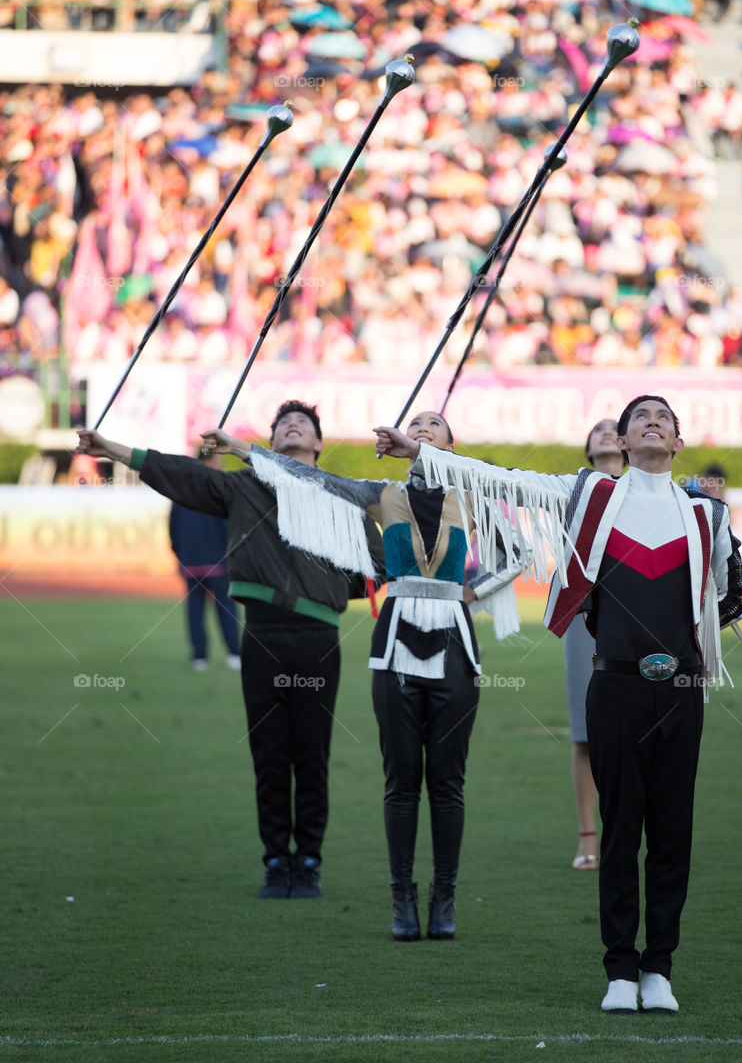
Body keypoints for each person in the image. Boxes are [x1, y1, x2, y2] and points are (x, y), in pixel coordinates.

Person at [374, 396, 742, 1012]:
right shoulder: (591, 497)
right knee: (621, 827)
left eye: (664, 418)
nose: (652, 421)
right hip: (615, 685)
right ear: (622, 443)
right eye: (639, 417)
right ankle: (620, 972)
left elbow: (731, 595)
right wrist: (423, 453)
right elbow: (508, 482)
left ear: (677, 443)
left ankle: (660, 969)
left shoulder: (707, 513)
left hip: (681, 691)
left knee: (673, 831)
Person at [201, 410, 522, 942]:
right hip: (394, 646)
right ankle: (402, 900)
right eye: (415, 423)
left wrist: (471, 592)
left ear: (448, 442)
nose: (422, 429)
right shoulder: (379, 493)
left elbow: (520, 552)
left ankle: (444, 898)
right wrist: (241, 447)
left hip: (456, 648)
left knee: (447, 783)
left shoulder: (474, 495)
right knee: (399, 784)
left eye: (434, 424)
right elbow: (311, 479)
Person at [76, 401, 384, 901]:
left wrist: (328, 587)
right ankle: (274, 861)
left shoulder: (338, 495)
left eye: (303, 423)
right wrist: (111, 448)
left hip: (317, 638)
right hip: (261, 633)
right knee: (268, 757)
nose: (293, 425)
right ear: (270, 440)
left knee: (310, 757)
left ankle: (307, 862)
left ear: (319, 444)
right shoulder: (242, 486)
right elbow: (180, 476)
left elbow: (381, 560)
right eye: (284, 422)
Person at [566, 420, 625, 873]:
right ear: (588, 448)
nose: (606, 433)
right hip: (583, 620)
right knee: (585, 733)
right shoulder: (571, 491)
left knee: (638, 730)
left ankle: (624, 834)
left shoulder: (650, 493)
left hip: (639, 622)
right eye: (597, 430)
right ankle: (588, 836)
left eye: (613, 428)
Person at [168, 447, 242, 671]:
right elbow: (229, 527)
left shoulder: (181, 491)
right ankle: (234, 654)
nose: (221, 464)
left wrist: (182, 556)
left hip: (191, 563)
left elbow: (173, 530)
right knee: (227, 609)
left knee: (195, 610)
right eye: (218, 459)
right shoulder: (218, 488)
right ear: (209, 460)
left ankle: (200, 657)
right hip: (218, 562)